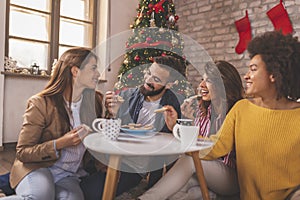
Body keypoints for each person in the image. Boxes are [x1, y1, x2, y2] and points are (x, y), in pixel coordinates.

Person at [199, 31, 300, 199]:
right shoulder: (242, 108)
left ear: (273, 74)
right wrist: (180, 138)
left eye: (253, 69)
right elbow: (216, 147)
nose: (246, 76)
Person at [80, 55, 187, 199]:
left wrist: (174, 127)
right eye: (148, 73)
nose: (148, 80)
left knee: (89, 191)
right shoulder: (126, 96)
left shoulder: (175, 105)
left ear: (169, 85)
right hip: (109, 158)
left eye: (156, 79)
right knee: (78, 182)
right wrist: (114, 114)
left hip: (134, 168)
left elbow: (178, 148)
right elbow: (109, 132)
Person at [3, 47, 104, 200]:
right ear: (75, 71)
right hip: (37, 168)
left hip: (68, 174)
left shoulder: (95, 101)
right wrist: (59, 143)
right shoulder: (41, 103)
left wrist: (113, 112)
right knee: (40, 196)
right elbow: (23, 152)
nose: (98, 74)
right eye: (93, 68)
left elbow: (102, 137)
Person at [138, 60, 244, 200]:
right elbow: (195, 142)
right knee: (178, 193)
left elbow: (205, 149)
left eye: (209, 81)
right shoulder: (204, 110)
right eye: (202, 80)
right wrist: (178, 124)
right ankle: (211, 195)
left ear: (224, 85)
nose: (201, 85)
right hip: (205, 170)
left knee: (190, 160)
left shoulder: (238, 111)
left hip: (232, 176)